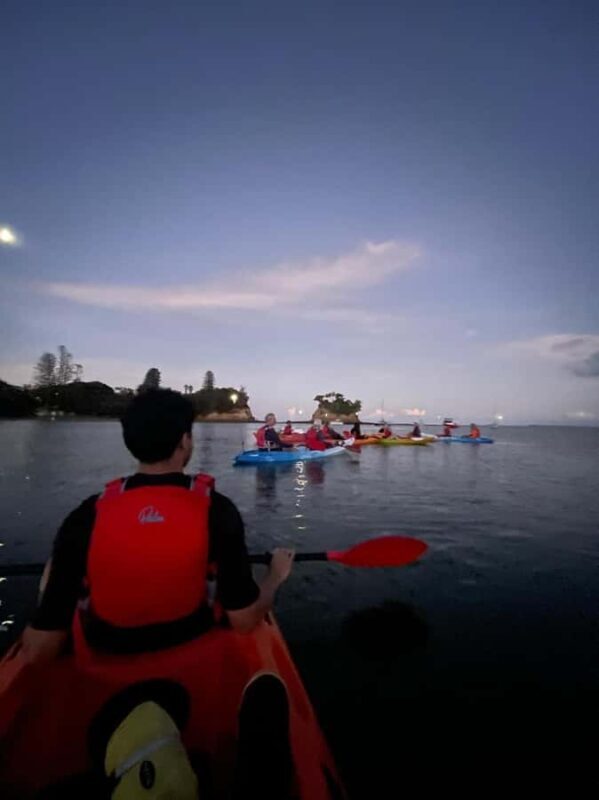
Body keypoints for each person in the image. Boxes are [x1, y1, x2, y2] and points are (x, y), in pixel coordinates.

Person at [20, 389, 295, 664]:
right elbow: (244, 621)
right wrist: (275, 576)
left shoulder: (85, 515)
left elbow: (41, 648)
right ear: (185, 441)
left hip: (104, 663)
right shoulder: (218, 510)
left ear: (130, 441)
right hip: (193, 657)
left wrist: (48, 590)